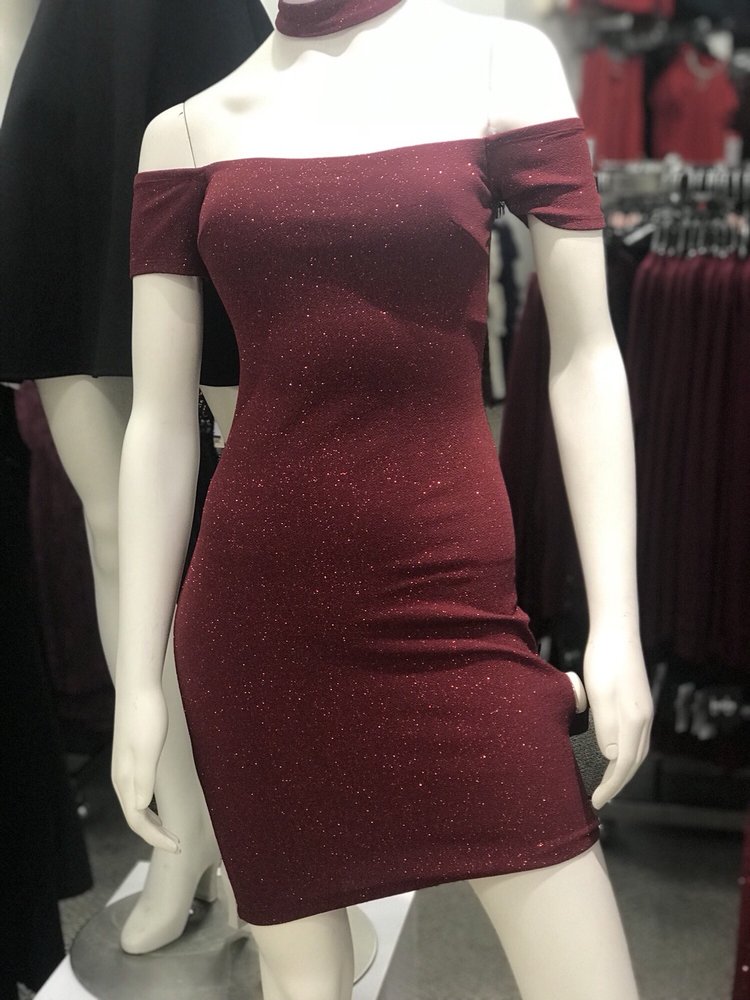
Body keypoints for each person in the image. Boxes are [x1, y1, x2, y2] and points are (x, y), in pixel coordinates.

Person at [114, 1, 653, 997]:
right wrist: (137, 683)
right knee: (303, 982)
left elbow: (585, 355)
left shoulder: (499, 64)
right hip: (257, 628)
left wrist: (618, 623)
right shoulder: (185, 132)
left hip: (457, 611)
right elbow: (159, 424)